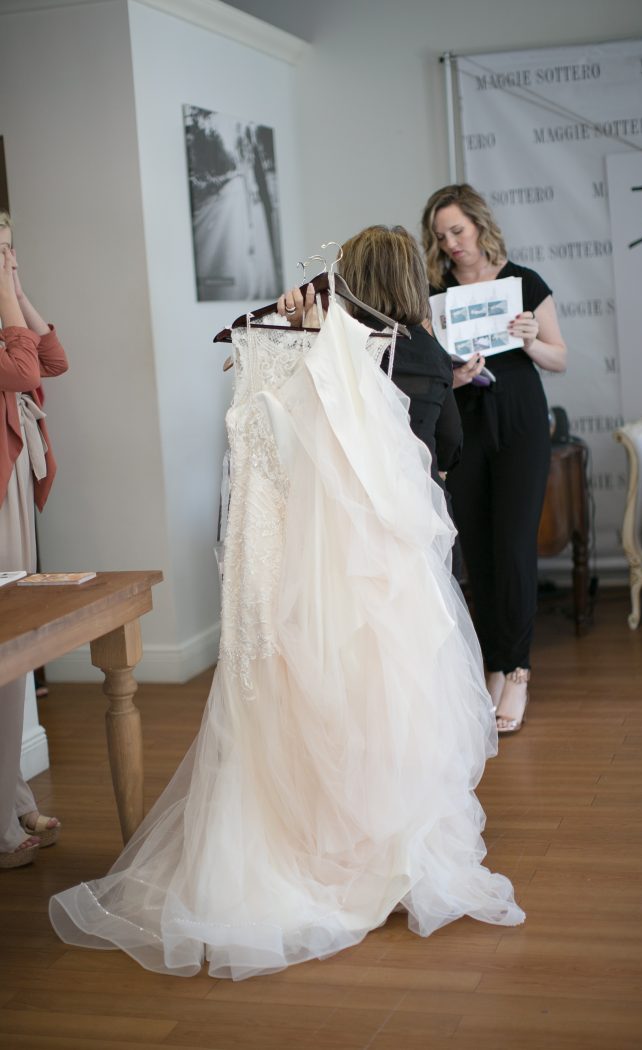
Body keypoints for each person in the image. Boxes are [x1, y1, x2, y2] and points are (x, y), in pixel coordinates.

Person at [50, 226, 523, 980]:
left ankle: (328, 843)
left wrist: (289, 343)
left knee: (325, 694)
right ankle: (388, 847)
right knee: (394, 698)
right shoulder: (428, 357)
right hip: (395, 564)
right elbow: (449, 451)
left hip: (318, 561)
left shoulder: (311, 350)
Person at [421, 185, 567, 734]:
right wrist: (454, 377)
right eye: (441, 236)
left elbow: (560, 357)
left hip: (522, 423)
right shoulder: (435, 295)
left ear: (479, 225)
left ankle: (518, 670)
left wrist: (529, 341)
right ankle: (495, 666)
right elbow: (431, 372)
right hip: (466, 424)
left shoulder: (525, 283)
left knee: (514, 547)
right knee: (479, 552)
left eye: (457, 230)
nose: (451, 243)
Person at [279, 225, 485, 491]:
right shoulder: (433, 352)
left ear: (355, 283)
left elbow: (300, 425)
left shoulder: (339, 343)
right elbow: (450, 445)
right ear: (412, 279)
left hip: (356, 498)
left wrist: (298, 331)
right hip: (421, 498)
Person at [0, 211, 68, 868]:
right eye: (2, 253)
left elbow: (54, 359)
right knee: (4, 644)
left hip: (14, 488)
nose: (10, 260)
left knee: (15, 647)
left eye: (11, 251)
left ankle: (11, 795)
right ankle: (2, 816)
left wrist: (17, 291)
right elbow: (22, 374)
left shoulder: (5, 311)